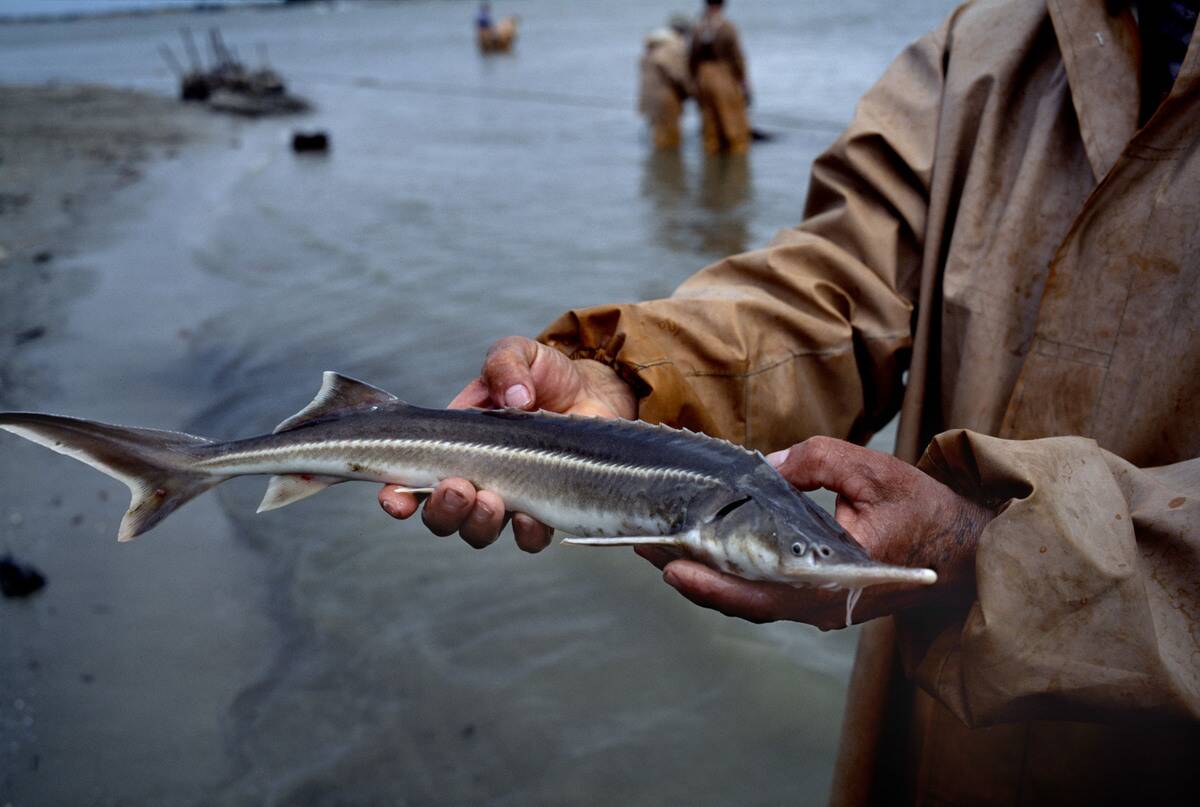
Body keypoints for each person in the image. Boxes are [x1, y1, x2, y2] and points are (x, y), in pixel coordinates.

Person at [383, 0, 1200, 802]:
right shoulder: (988, 39)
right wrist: (630, 374)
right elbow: (837, 282)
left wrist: (1006, 549)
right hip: (930, 736)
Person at [688, 0, 750, 153]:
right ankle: (735, 161)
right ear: (721, 6)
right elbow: (737, 56)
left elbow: (691, 58)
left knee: (709, 125)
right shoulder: (727, 27)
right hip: (724, 75)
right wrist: (743, 81)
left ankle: (711, 160)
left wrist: (693, 80)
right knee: (732, 123)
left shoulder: (698, 27)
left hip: (702, 76)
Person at [637, 15, 694, 150]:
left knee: (658, 135)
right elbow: (678, 75)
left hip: (650, 98)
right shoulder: (674, 47)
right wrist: (692, 92)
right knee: (669, 140)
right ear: (683, 32)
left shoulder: (654, 46)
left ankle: (659, 161)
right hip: (666, 99)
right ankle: (668, 162)